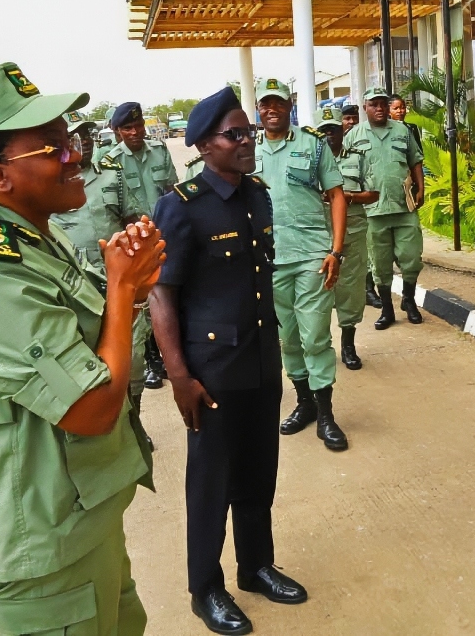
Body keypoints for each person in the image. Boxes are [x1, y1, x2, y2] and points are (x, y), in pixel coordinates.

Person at [0, 62, 163, 634]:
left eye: (70, 138)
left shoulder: (31, 233)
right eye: (53, 147)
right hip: (38, 533)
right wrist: (122, 289)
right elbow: (91, 409)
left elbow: (85, 339)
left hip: (76, 511)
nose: (76, 154)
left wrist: (129, 291)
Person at [150, 88, 307, 636]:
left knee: (259, 472)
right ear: (203, 145)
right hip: (211, 368)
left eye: (249, 132)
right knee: (211, 482)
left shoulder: (256, 194)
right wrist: (178, 375)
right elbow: (162, 294)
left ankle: (256, 566)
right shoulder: (182, 205)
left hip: (260, 358)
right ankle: (205, 588)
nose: (247, 141)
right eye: (234, 134)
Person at [254, 79, 350, 452]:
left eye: (278, 103)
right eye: (266, 104)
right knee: (287, 339)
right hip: (270, 260)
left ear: (289, 105)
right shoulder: (248, 150)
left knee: (315, 337)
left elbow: (337, 196)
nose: (272, 109)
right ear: (258, 109)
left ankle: (326, 414)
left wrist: (336, 251)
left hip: (313, 255)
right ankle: (304, 403)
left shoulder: (313, 144)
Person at [51, 112, 153, 449]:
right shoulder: (53, 181)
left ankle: (134, 424)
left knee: (132, 361)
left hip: (117, 285)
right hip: (74, 290)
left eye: (86, 134)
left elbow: (132, 219)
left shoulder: (112, 174)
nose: (84, 141)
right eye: (75, 136)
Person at [104, 102, 179, 389]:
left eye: (138, 126)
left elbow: (172, 190)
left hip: (165, 236)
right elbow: (115, 210)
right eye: (128, 128)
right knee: (142, 301)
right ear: (117, 131)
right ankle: (152, 362)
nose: (135, 132)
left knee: (168, 295)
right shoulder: (110, 162)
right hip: (135, 243)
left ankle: (170, 356)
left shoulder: (159, 151)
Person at [345, 87, 426, 329]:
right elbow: (344, 172)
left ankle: (409, 300)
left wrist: (421, 189)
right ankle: (387, 310)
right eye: (374, 104)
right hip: (372, 212)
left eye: (382, 103)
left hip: (404, 207)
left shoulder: (402, 130)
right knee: (380, 265)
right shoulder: (353, 136)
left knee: (411, 258)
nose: (379, 108)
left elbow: (415, 160)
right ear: (365, 108)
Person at [318, 104, 379, 371]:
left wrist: (347, 197)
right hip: (318, 237)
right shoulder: (309, 161)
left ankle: (348, 345)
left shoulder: (358, 158)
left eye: (333, 129)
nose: (329, 135)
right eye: (324, 130)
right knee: (317, 293)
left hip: (352, 235)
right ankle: (320, 346)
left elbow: (373, 193)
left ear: (342, 130)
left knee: (351, 292)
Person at [344, 102, 384, 311]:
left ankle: (369, 290)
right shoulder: (329, 149)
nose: (351, 122)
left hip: (366, 204)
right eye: (346, 118)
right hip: (340, 214)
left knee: (367, 252)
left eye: (354, 118)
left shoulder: (363, 140)